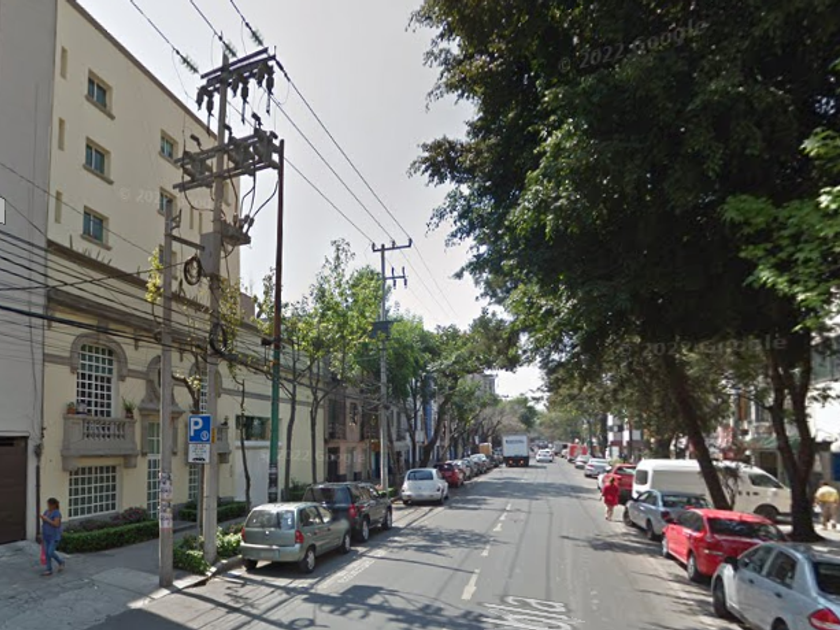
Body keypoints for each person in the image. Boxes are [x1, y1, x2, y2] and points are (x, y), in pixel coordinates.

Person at [39, 497, 65, 576]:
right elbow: (45, 521)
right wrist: (43, 518)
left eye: (49, 504)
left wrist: (46, 519)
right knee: (47, 553)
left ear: (53, 505)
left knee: (50, 552)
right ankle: (49, 569)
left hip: (54, 536)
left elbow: (56, 524)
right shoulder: (46, 511)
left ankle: (61, 562)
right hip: (46, 535)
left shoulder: (57, 513)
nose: (48, 506)